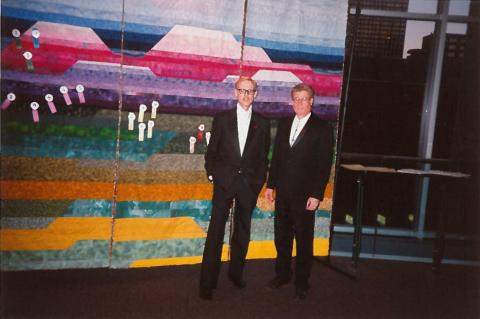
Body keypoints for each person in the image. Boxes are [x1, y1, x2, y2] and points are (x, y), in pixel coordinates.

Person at [199, 76, 271, 300]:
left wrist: (258, 181)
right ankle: (207, 283)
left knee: (242, 231)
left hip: (248, 185)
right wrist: (213, 176)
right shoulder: (221, 119)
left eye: (250, 91)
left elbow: (263, 156)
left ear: (256, 94)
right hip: (224, 183)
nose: (246, 95)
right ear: (235, 92)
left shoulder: (263, 122)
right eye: (242, 90)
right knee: (215, 231)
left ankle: (236, 274)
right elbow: (212, 153)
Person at [265, 83, 333, 300]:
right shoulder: (284, 123)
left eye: (305, 99)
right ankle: (283, 275)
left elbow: (324, 165)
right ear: (292, 101)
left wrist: (316, 194)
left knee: (304, 241)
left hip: (305, 196)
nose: (301, 103)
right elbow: (276, 157)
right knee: (281, 238)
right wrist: (270, 185)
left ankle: (302, 282)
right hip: (283, 192)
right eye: (297, 99)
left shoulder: (322, 128)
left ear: (312, 101)